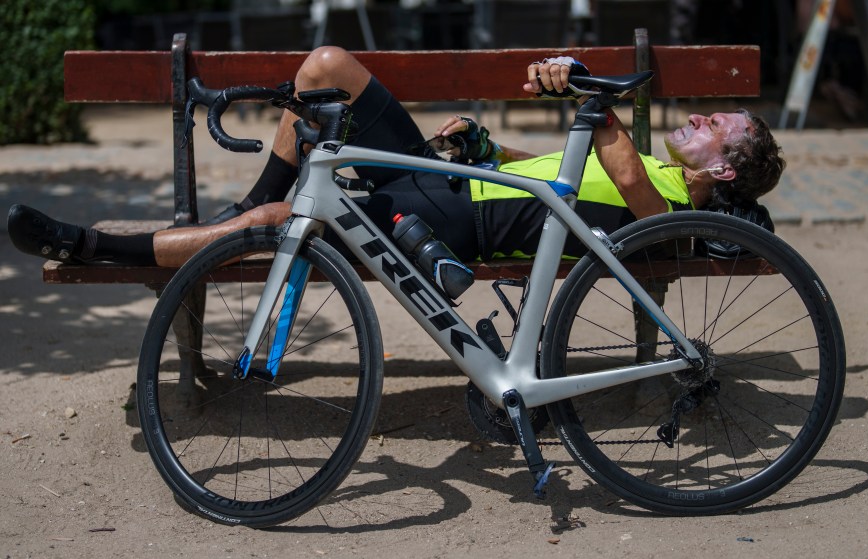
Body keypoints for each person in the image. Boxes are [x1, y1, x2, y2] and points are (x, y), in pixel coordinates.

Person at [8, 46, 784, 268]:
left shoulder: (675, 213)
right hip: (455, 177)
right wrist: (487, 142)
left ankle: (98, 248)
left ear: (722, 170)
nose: (708, 114)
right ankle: (242, 215)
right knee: (325, 70)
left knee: (288, 220)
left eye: (725, 124)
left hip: (454, 217)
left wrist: (585, 93)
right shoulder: (646, 166)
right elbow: (553, 168)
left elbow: (620, 183)